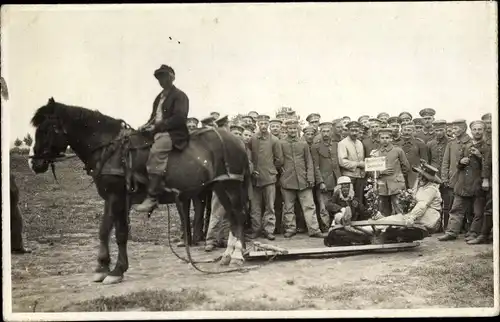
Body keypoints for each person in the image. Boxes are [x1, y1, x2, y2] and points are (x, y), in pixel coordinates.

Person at [135, 64, 189, 213]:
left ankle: (153, 196)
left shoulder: (180, 95)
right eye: (159, 77)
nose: (162, 80)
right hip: (158, 132)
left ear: (172, 77)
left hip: (174, 134)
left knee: (156, 152)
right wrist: (145, 126)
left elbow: (179, 118)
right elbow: (153, 118)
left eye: (164, 76)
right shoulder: (159, 97)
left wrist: (157, 127)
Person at [439, 120, 489, 242]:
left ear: (484, 131)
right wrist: (461, 163)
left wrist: (479, 156)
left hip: (477, 182)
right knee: (456, 208)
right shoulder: (467, 145)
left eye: (480, 129)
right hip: (462, 182)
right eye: (475, 129)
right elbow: (458, 163)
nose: (477, 132)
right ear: (471, 131)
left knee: (477, 211)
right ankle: (451, 232)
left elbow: (489, 165)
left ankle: (473, 232)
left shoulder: (487, 146)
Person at [366, 163, 443, 233]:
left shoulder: (431, 189)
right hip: (421, 215)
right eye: (419, 175)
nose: (419, 178)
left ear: (428, 179)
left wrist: (412, 217)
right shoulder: (421, 187)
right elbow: (413, 200)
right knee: (398, 218)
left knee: (399, 220)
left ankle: (373, 228)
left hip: (430, 217)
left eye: (423, 177)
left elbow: (422, 205)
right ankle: (375, 225)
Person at [278, 119, 323, 238]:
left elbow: (309, 161)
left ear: (297, 129)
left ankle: (314, 229)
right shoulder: (281, 143)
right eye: (290, 128)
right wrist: (282, 172)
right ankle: (290, 228)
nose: (292, 130)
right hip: (287, 180)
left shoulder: (303, 144)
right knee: (288, 207)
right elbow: (278, 160)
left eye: (294, 128)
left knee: (309, 206)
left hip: (303, 180)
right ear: (286, 130)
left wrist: (310, 177)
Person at [248, 114, 283, 240]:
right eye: (261, 123)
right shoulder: (252, 139)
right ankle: (256, 230)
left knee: (270, 206)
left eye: (265, 124)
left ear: (268, 124)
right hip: (255, 179)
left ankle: (269, 230)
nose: (263, 126)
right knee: (255, 207)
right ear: (257, 124)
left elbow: (279, 160)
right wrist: (253, 170)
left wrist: (270, 169)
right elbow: (249, 157)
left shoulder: (274, 140)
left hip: (269, 178)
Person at [440, 119, 472, 232]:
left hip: (467, 180)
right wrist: (444, 178)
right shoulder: (451, 144)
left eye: (456, 128)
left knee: (467, 207)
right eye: (453, 128)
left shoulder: (470, 143)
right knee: (451, 205)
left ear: (463, 128)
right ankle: (451, 229)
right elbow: (445, 162)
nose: (453, 131)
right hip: (452, 179)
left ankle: (466, 229)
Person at [372, 128, 411, 216]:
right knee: (384, 211)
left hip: (396, 185)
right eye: (382, 138)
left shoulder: (398, 150)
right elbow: (371, 171)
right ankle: (387, 229)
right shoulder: (375, 153)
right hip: (382, 186)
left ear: (391, 138)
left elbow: (406, 166)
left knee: (400, 209)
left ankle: (401, 228)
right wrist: (381, 172)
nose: (385, 140)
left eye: (387, 137)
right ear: (379, 139)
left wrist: (398, 175)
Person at [311, 122, 342, 230]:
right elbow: (316, 166)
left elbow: (338, 164)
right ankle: (325, 227)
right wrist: (320, 182)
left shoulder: (336, 145)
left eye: (328, 131)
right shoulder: (316, 147)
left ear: (331, 132)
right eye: (323, 131)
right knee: (323, 207)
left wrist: (340, 180)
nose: (326, 134)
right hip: (324, 181)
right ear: (320, 132)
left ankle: (336, 226)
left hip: (336, 180)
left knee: (336, 205)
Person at [427, 119, 451, 231]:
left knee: (447, 203)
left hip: (448, 176)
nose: (439, 133)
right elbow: (428, 161)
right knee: (435, 203)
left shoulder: (451, 142)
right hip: (434, 177)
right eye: (436, 130)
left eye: (441, 130)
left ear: (445, 129)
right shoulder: (430, 144)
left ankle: (447, 226)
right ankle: (436, 227)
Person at [338, 121, 366, 204]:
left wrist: (363, 169)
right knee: (349, 199)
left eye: (356, 131)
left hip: (360, 176)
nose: (354, 133)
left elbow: (362, 159)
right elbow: (342, 162)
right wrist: (358, 164)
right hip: (349, 177)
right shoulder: (342, 143)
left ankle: (359, 217)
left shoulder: (360, 143)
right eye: (352, 130)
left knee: (359, 199)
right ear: (348, 131)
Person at [399, 122, 429, 189]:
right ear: (401, 131)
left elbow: (425, 162)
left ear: (413, 131)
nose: (407, 133)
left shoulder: (420, 144)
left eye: (409, 130)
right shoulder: (398, 144)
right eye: (405, 130)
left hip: (415, 174)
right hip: (400, 174)